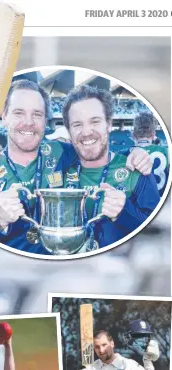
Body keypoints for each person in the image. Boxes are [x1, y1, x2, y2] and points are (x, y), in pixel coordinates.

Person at [0, 80, 151, 254]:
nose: (28, 122)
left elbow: (94, 150)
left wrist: (135, 153)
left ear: (46, 120)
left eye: (37, 114)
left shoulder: (61, 153)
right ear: (4, 116)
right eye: (18, 113)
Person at [62, 85, 160, 249]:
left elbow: (157, 235)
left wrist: (125, 212)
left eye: (95, 121)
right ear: (69, 131)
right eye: (77, 124)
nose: (86, 132)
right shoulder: (59, 168)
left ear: (109, 124)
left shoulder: (136, 170)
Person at [132, 111, 169, 196]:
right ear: (153, 135)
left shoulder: (126, 154)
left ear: (134, 135)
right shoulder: (167, 152)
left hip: (138, 205)